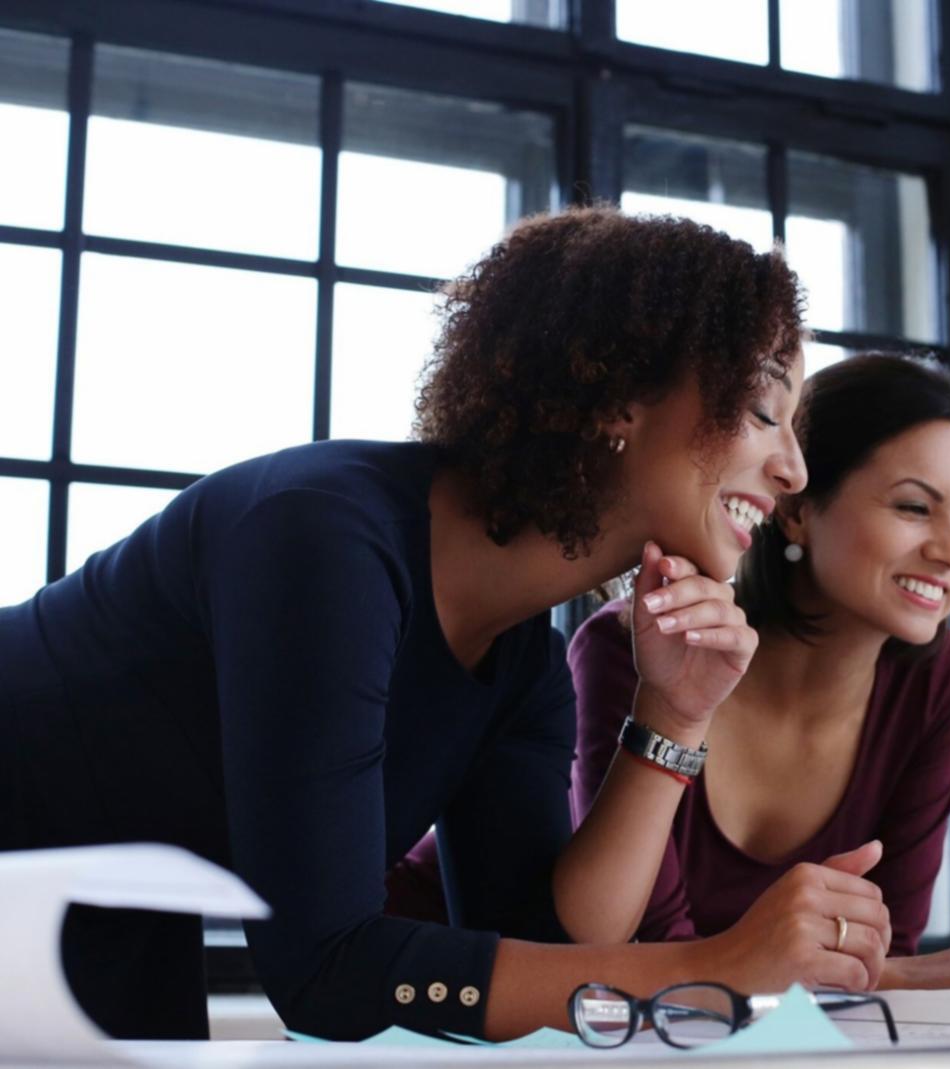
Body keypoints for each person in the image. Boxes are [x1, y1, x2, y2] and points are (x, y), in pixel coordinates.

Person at [0, 208, 894, 1043]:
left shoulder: (520, 667)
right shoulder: (323, 536)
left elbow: (543, 954)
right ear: (622, 395)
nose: (792, 469)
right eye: (761, 410)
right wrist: (712, 968)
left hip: (93, 941)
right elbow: (326, 972)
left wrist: (674, 720)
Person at [392, 353, 950, 988]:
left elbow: (876, 946)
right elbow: (650, 952)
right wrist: (917, 974)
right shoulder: (646, 648)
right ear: (797, 511)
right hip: (438, 984)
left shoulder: (936, 679)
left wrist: (909, 970)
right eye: (913, 507)